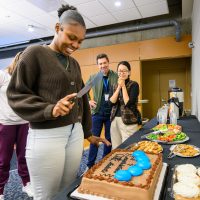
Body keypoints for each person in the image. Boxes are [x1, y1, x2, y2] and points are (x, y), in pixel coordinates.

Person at [6, 4, 110, 200]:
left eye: (80, 41)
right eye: (72, 37)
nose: (76, 45)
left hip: (75, 134)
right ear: (57, 28)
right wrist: (50, 109)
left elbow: (82, 101)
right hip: (46, 135)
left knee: (68, 188)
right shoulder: (34, 54)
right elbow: (16, 95)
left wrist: (89, 134)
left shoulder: (74, 63)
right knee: (47, 195)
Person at [0, 52, 33, 200]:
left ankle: (26, 183)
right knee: (4, 160)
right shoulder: (3, 75)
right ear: (17, 61)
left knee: (24, 157)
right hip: (6, 124)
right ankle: (0, 190)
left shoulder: (26, 79)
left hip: (24, 123)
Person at [86, 53, 118, 169]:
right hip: (97, 113)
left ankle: (105, 162)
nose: (103, 65)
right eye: (100, 64)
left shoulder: (115, 76)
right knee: (94, 139)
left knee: (109, 139)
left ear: (108, 63)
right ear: (97, 65)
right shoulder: (94, 78)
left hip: (111, 113)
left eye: (104, 63)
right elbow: (84, 92)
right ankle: (90, 165)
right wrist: (89, 101)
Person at [109, 61, 141, 149]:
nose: (121, 73)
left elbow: (128, 103)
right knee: (116, 147)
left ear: (129, 72)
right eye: (119, 71)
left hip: (129, 120)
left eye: (124, 71)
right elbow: (111, 102)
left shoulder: (134, 85)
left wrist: (123, 86)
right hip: (114, 120)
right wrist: (119, 86)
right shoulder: (114, 85)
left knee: (129, 147)